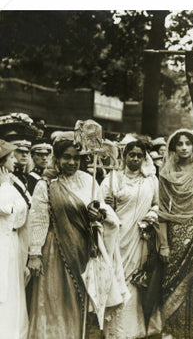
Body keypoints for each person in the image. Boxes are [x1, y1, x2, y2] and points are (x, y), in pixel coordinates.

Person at [27, 136, 127, 338]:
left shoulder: (88, 181)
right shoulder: (46, 185)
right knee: (54, 299)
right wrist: (35, 254)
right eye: (66, 157)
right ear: (57, 158)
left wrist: (99, 215)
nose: (71, 163)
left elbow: (104, 210)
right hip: (55, 250)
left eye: (76, 158)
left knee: (81, 297)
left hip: (83, 248)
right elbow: (38, 219)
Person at [101, 140, 164, 338]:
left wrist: (150, 217)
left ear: (144, 158)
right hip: (116, 236)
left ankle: (135, 328)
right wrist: (107, 206)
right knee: (117, 277)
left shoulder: (151, 180)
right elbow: (98, 205)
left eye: (139, 155)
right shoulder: (112, 179)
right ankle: (114, 330)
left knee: (136, 280)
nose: (135, 158)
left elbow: (159, 205)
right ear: (124, 157)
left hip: (141, 237)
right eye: (132, 155)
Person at [157, 129, 193, 339]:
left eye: (188, 143)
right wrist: (164, 244)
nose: (184, 148)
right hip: (175, 232)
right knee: (173, 279)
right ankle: (171, 330)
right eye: (179, 144)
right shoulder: (166, 174)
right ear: (173, 148)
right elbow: (162, 211)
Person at [0, 139, 30, 339]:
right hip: (2, 241)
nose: (15, 161)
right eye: (11, 157)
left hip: (11, 241)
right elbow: (6, 208)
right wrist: (4, 187)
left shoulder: (10, 181)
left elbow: (23, 208)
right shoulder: (4, 185)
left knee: (13, 288)